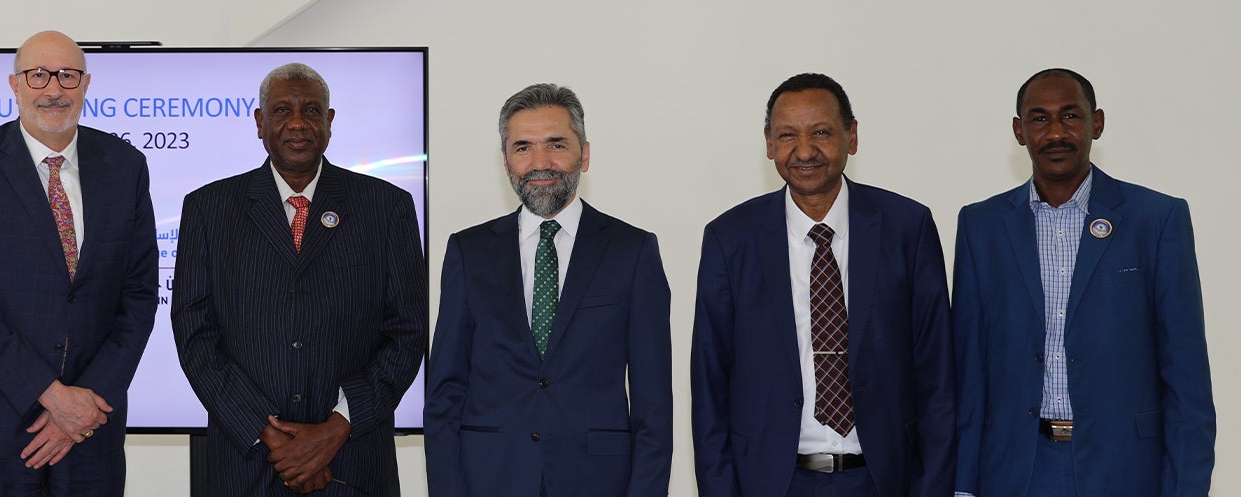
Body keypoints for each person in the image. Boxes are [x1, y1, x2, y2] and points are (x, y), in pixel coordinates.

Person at [951, 68, 1213, 497]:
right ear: (1019, 131)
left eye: (1070, 116)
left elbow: (1187, 379)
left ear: (1098, 123)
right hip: (1016, 471)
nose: (1056, 132)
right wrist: (963, 485)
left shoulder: (1156, 220)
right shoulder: (981, 226)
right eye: (1039, 118)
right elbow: (970, 372)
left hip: (1126, 469)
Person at [691, 73, 953, 497]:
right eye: (787, 135)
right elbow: (710, 384)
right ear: (769, 144)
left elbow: (937, 374)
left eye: (821, 133)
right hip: (773, 482)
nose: (804, 150)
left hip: (884, 479)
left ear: (852, 136)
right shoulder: (730, 238)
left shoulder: (907, 228)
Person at [171, 62, 427, 496]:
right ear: (260, 122)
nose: (296, 123)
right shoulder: (208, 209)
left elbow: (408, 330)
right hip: (246, 463)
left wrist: (336, 428)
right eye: (281, 110)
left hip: (352, 460)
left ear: (329, 122)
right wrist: (270, 435)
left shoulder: (387, 207)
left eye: (310, 110)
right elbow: (195, 333)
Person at [0, 30, 158, 496]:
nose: (53, 89)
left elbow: (139, 295)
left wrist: (86, 403)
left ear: (86, 84)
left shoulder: (126, 165)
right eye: (38, 75)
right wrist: (53, 397)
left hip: (92, 428)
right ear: (14, 85)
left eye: (68, 76)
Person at [425, 83, 672, 497]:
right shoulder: (468, 252)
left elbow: (654, 406)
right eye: (523, 148)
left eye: (556, 145)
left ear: (585, 155)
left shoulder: (633, 251)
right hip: (490, 479)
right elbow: (444, 396)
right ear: (505, 160)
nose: (540, 163)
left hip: (597, 482)